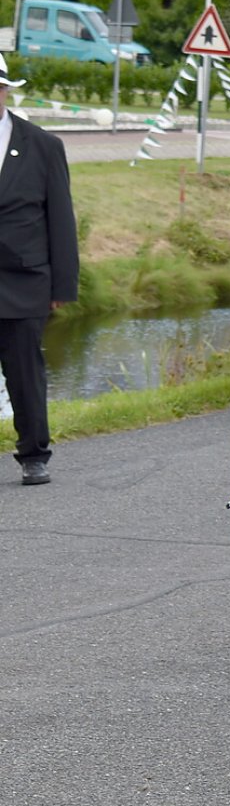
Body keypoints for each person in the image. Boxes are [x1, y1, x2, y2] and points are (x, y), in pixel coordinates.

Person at [0, 56, 78, 486]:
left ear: (6, 90)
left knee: (25, 373)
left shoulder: (42, 145)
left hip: (24, 279)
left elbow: (61, 220)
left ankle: (34, 455)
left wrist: (62, 285)